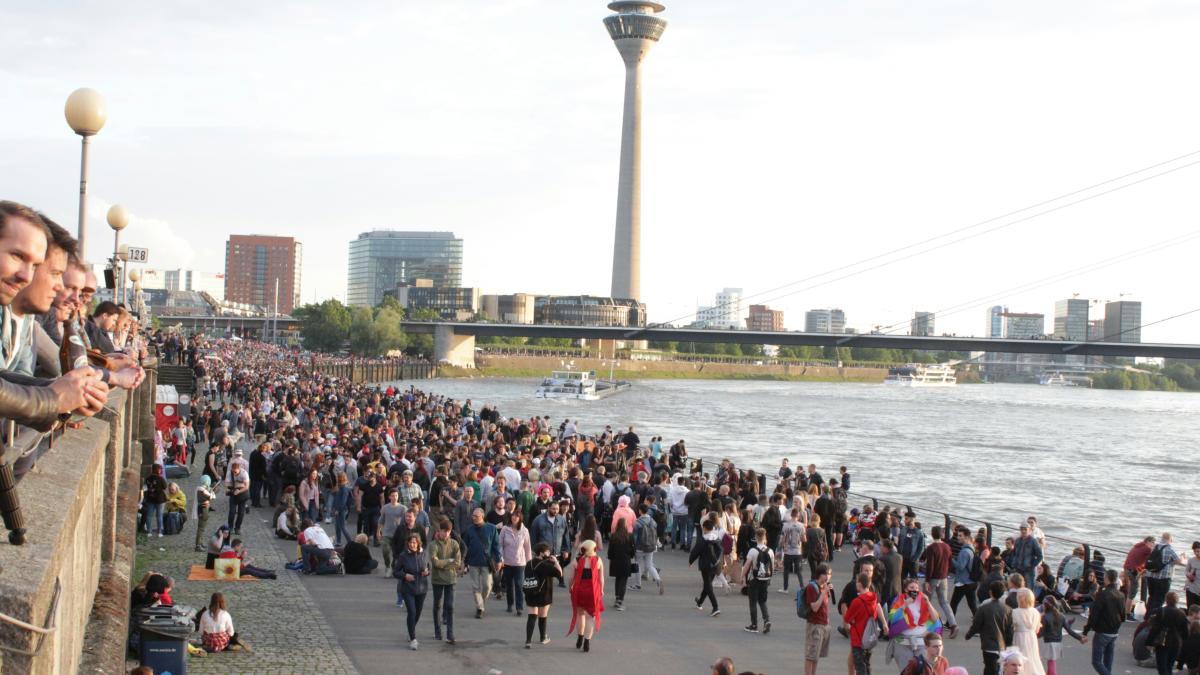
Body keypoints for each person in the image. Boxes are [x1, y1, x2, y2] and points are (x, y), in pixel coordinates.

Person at [888, 576, 943, 668]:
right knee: (907, 670)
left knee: (923, 669)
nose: (915, 590)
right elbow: (893, 619)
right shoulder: (899, 600)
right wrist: (905, 604)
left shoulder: (923, 600)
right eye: (912, 588)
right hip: (903, 643)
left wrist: (928, 603)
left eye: (917, 588)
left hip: (921, 642)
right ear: (906, 589)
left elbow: (935, 619)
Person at [965, 580, 1015, 675]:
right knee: (995, 667)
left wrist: (969, 635)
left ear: (990, 592)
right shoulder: (1008, 609)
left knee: (991, 667)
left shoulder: (983, 607)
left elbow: (976, 624)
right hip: (1002, 645)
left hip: (988, 644)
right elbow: (1010, 629)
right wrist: (1009, 645)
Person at [843, 571, 887, 675]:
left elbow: (847, 618)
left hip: (858, 638)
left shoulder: (857, 601)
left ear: (859, 584)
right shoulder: (873, 597)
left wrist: (853, 620)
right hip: (869, 637)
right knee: (867, 665)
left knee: (860, 667)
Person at [1082, 569, 1125, 675]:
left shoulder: (1102, 594)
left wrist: (1086, 631)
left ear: (1106, 578)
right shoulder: (1121, 595)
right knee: (1108, 661)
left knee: (1096, 662)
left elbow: (1094, 614)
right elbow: (1123, 615)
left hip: (1102, 631)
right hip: (1114, 631)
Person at [460, 507, 501, 619]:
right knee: (475, 587)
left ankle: (480, 602)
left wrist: (498, 559)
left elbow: (496, 546)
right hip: (473, 562)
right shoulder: (469, 530)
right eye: (473, 516)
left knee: (487, 586)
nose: (474, 518)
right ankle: (480, 608)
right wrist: (463, 562)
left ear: (482, 516)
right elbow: (464, 547)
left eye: (476, 516)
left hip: (486, 562)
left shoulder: (491, 528)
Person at [429, 518, 462, 644]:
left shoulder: (454, 544)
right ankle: (437, 632)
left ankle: (450, 633)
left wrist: (445, 563)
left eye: (448, 531)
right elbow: (435, 563)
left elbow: (458, 563)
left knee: (450, 606)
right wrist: (449, 561)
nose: (446, 534)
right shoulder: (433, 545)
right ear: (440, 531)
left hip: (451, 579)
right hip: (437, 579)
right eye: (443, 531)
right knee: (437, 605)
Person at [395, 533, 431, 650]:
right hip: (408, 588)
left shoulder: (424, 553)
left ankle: (411, 630)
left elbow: (428, 567)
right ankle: (413, 639)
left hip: (422, 588)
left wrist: (427, 571)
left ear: (418, 543)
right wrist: (405, 575)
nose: (412, 545)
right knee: (412, 611)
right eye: (410, 543)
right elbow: (396, 571)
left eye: (414, 543)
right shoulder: (403, 556)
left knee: (418, 613)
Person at [568, 539, 605, 653]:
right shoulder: (598, 560)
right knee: (590, 617)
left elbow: (571, 578)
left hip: (579, 590)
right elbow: (601, 579)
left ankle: (580, 637)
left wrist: (570, 587)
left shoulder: (576, 560)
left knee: (580, 615)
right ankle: (587, 642)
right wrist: (602, 590)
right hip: (592, 592)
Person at [524, 542, 563, 648]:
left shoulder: (529, 563)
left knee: (532, 616)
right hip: (543, 594)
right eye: (547, 551)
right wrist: (555, 562)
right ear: (542, 553)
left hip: (530, 592)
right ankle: (543, 638)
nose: (549, 553)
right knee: (543, 616)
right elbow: (560, 573)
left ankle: (528, 641)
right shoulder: (546, 565)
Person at [741, 527, 774, 634]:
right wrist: (769, 578)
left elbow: (746, 566)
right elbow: (772, 566)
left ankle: (754, 625)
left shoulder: (753, 551)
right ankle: (767, 620)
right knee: (762, 601)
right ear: (765, 538)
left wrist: (742, 577)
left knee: (753, 602)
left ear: (756, 537)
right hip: (765, 578)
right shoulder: (770, 551)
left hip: (754, 579)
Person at [1147, 591, 1189, 675]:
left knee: (1162, 667)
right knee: (1169, 666)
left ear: (1166, 600)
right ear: (1176, 601)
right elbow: (1185, 632)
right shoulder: (1181, 613)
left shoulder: (1161, 611)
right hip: (1176, 642)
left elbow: (1155, 628)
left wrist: (1149, 642)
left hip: (1163, 641)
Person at [500, 510, 533, 614]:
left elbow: (527, 547)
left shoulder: (525, 531)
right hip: (507, 562)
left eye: (517, 516)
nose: (514, 518)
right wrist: (500, 558)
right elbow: (500, 545)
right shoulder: (505, 529)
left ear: (520, 518)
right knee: (509, 585)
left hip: (520, 563)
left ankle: (519, 607)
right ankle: (510, 604)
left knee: (519, 585)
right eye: (513, 516)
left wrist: (529, 563)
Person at [803, 563, 833, 675]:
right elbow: (815, 607)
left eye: (830, 574)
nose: (829, 577)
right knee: (810, 656)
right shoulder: (812, 587)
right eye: (827, 574)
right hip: (815, 625)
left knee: (816, 656)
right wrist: (824, 592)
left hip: (824, 625)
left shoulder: (823, 586)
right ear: (820, 574)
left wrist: (826, 591)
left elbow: (825, 605)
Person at [1145, 533, 1185, 616]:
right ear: (1170, 540)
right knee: (1159, 599)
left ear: (1162, 538)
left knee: (1151, 597)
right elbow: (1179, 561)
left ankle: (1147, 616)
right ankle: (1153, 618)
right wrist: (1182, 557)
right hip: (1163, 578)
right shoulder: (1169, 549)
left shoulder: (1154, 546)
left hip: (1150, 576)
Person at [689, 519, 722, 616]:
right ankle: (700, 602)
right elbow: (721, 551)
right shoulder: (717, 538)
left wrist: (691, 561)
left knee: (708, 585)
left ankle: (715, 607)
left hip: (705, 565)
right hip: (715, 564)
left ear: (704, 528)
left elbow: (696, 551)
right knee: (707, 584)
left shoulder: (703, 539)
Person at [631, 502, 664, 594]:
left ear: (640, 511)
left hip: (640, 547)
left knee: (637, 565)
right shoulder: (652, 521)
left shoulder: (638, 522)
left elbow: (634, 536)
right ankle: (658, 580)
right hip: (651, 546)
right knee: (649, 565)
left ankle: (638, 585)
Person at [1011, 588, 1045, 675]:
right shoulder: (1036, 612)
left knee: (1019, 657)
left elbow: (1011, 627)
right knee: (1033, 657)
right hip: (1032, 637)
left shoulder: (1014, 612)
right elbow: (1037, 629)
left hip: (1019, 637)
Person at [607, 518, 635, 611]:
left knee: (618, 580)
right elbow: (632, 550)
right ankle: (620, 600)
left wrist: (610, 558)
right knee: (623, 581)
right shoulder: (629, 536)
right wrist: (631, 555)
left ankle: (617, 598)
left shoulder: (614, 536)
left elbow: (610, 550)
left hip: (615, 561)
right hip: (626, 561)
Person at [142, 464, 168, 537]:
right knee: (159, 516)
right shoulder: (161, 478)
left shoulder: (148, 478)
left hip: (150, 498)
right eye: (160, 469)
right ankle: (159, 532)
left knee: (149, 515)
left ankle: (149, 531)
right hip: (160, 499)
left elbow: (146, 487)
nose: (161, 471)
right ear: (157, 470)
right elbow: (165, 487)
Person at [225, 461, 249, 535]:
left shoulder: (244, 473)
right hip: (233, 494)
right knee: (232, 512)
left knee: (241, 513)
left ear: (239, 469)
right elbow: (226, 484)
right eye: (233, 471)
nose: (234, 473)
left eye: (235, 472)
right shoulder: (230, 473)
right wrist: (238, 485)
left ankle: (237, 528)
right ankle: (230, 527)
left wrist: (238, 489)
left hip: (242, 495)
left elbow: (246, 487)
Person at [194, 475, 215, 552]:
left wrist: (211, 490)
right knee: (201, 528)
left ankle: (200, 542)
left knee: (202, 529)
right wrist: (211, 492)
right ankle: (198, 545)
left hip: (204, 510)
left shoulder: (203, 489)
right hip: (202, 511)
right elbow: (211, 497)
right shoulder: (201, 490)